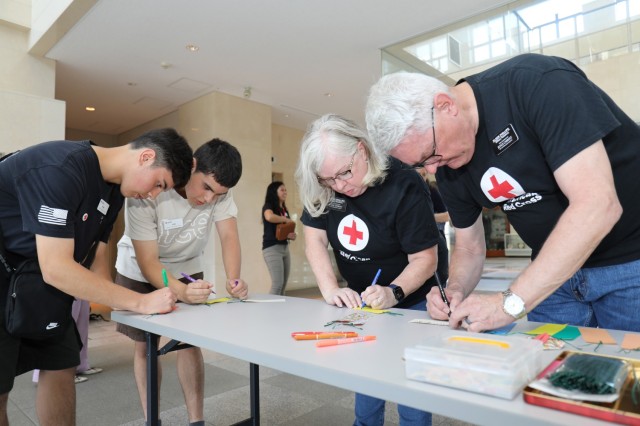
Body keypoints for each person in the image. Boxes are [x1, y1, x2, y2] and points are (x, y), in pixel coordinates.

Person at [365, 53, 640, 333]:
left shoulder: (537, 83)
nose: (433, 170)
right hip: (551, 277)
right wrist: (455, 290)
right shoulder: (448, 158)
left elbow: (598, 205)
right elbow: (470, 247)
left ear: (445, 105)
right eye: (421, 165)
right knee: (554, 371)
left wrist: (508, 304)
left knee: (629, 370)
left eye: (430, 154)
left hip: (630, 263)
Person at [0, 128, 192, 426]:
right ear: (145, 156)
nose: (153, 195)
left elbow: (97, 265)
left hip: (35, 277)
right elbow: (57, 268)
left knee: (62, 364)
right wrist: (141, 302)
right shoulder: (62, 168)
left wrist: (119, 306)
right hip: (10, 271)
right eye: (158, 184)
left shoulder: (114, 191)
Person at [295, 114, 440, 426]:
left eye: (344, 173)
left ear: (361, 150)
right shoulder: (325, 185)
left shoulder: (404, 183)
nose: (340, 185)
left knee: (410, 390)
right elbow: (315, 240)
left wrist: (393, 292)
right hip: (364, 302)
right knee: (367, 380)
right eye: (328, 180)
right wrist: (330, 289)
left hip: (411, 299)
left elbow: (426, 260)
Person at [114, 138, 249, 425]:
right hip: (139, 267)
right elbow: (149, 262)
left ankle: (196, 420)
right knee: (145, 344)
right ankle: (153, 418)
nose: (210, 199)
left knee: (188, 343)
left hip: (187, 266)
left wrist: (234, 278)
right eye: (207, 188)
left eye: (219, 194)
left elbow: (228, 236)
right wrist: (181, 292)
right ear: (192, 166)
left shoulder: (221, 193)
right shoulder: (153, 186)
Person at [261, 181, 297, 295]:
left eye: (285, 190)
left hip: (284, 248)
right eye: (282, 190)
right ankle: (270, 311)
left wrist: (291, 235)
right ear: (274, 192)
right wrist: (286, 220)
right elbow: (269, 216)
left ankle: (281, 311)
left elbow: (283, 230)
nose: (285, 192)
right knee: (277, 284)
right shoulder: (269, 206)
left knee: (283, 286)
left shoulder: (284, 210)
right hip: (272, 249)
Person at [416, 170, 450, 282]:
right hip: (413, 244)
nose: (422, 178)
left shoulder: (432, 191)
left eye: (424, 175)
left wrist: (426, 217)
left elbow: (447, 215)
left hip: (435, 239)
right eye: (418, 175)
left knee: (438, 279)